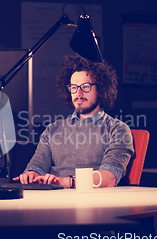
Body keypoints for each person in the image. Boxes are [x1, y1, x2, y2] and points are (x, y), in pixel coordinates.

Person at [13, 55, 134, 188]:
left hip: (94, 201)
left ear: (100, 89)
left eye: (86, 86)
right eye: (74, 87)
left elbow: (109, 177)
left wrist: (68, 182)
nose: (79, 93)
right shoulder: (53, 129)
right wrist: (32, 174)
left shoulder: (118, 129)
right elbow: (37, 165)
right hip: (52, 200)